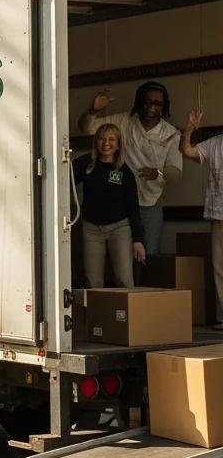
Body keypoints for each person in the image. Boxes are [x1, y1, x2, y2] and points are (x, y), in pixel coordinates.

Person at [78, 81, 182, 255]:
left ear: (164, 107)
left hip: (150, 202)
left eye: (157, 104)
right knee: (121, 256)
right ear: (138, 101)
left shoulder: (171, 134)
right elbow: (86, 128)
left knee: (149, 253)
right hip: (119, 202)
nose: (151, 107)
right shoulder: (123, 121)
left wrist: (157, 173)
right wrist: (93, 110)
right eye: (147, 102)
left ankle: (144, 283)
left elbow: (176, 175)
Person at [72, 123, 146, 287]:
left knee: (124, 278)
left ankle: (128, 312)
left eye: (111, 139)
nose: (106, 143)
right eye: (102, 139)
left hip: (119, 228)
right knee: (92, 281)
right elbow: (64, 180)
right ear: (96, 142)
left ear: (118, 144)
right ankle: (95, 313)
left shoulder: (124, 171)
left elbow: (133, 207)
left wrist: (138, 240)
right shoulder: (86, 164)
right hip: (91, 228)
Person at [180, 108, 223, 331]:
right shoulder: (216, 143)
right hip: (219, 214)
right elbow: (187, 151)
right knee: (220, 268)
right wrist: (189, 129)